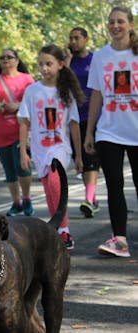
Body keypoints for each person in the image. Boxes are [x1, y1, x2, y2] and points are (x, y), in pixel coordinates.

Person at [18, 44, 85, 250]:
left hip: (60, 147)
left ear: (60, 65)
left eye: (49, 64)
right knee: (49, 191)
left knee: (57, 184)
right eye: (41, 64)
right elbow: (24, 121)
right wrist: (23, 151)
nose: (44, 68)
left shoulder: (66, 93)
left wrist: (79, 156)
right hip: (39, 149)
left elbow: (74, 125)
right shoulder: (32, 91)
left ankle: (64, 231)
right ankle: (56, 230)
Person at [84, 6, 138, 258]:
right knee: (114, 186)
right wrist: (90, 132)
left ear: (130, 24)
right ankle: (120, 240)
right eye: (111, 22)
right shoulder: (101, 57)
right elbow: (96, 95)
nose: (115, 26)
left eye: (120, 21)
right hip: (109, 131)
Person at [0, 49, 35, 216]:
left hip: (21, 131)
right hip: (2, 132)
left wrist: (18, 106)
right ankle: (16, 202)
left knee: (22, 166)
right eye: (2, 57)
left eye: (9, 57)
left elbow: (35, 101)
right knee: (9, 170)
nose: (5, 60)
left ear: (17, 60)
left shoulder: (27, 80)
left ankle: (26, 198)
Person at [65, 27, 101, 218]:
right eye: (71, 38)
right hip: (73, 118)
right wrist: (68, 58)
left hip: (93, 116)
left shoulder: (95, 59)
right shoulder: (68, 62)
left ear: (86, 39)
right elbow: (64, 80)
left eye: (77, 38)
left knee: (91, 158)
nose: (73, 41)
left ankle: (89, 198)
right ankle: (92, 198)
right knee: (81, 161)